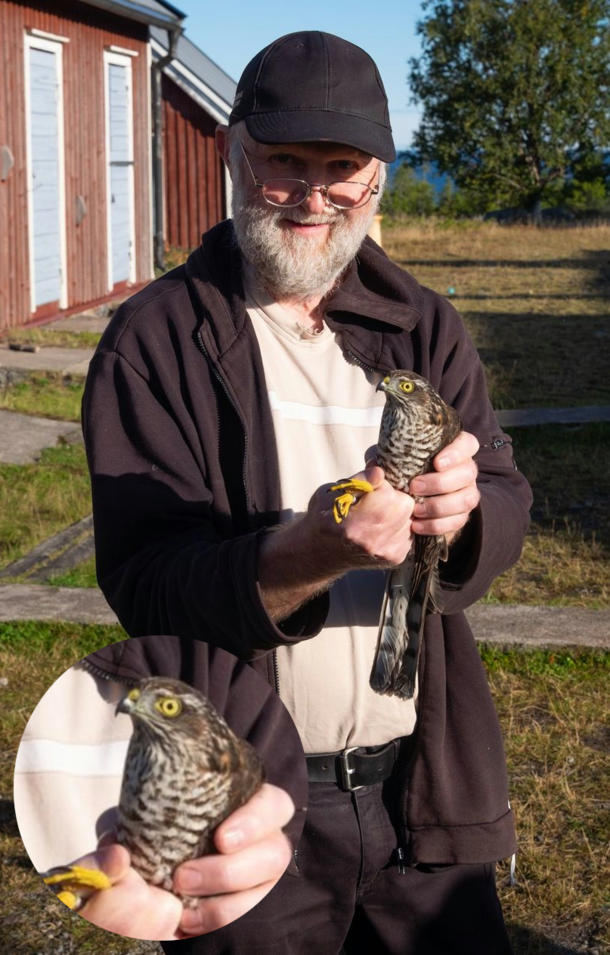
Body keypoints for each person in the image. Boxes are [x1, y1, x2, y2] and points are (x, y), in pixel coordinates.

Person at [82, 30, 532, 954]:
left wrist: (470, 512)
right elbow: (149, 584)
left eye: (341, 168)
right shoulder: (158, 338)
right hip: (248, 801)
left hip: (424, 787)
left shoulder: (424, 322)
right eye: (284, 163)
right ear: (235, 153)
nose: (313, 195)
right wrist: (312, 551)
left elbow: (503, 484)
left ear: (377, 179)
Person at [14, 635, 304, 941]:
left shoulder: (229, 760)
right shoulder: (144, 745)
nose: (131, 704)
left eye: (166, 706)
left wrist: (278, 847)